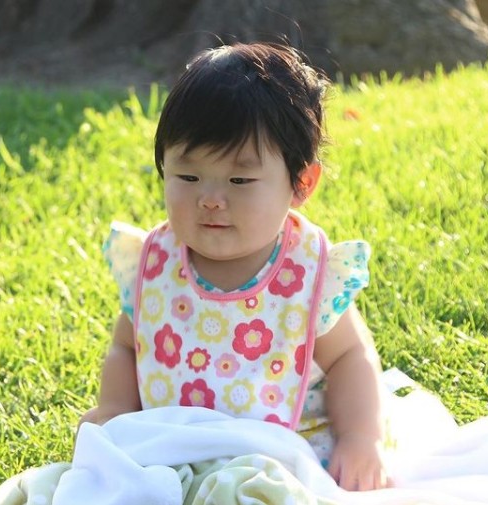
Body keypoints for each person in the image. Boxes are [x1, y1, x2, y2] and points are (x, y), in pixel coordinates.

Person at [80, 42, 390, 492]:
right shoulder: (155, 263)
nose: (210, 198)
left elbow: (349, 358)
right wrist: (113, 408)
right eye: (187, 177)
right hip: (173, 450)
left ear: (301, 183)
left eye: (239, 180)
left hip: (283, 457)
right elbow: (128, 346)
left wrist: (361, 438)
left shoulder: (306, 277)